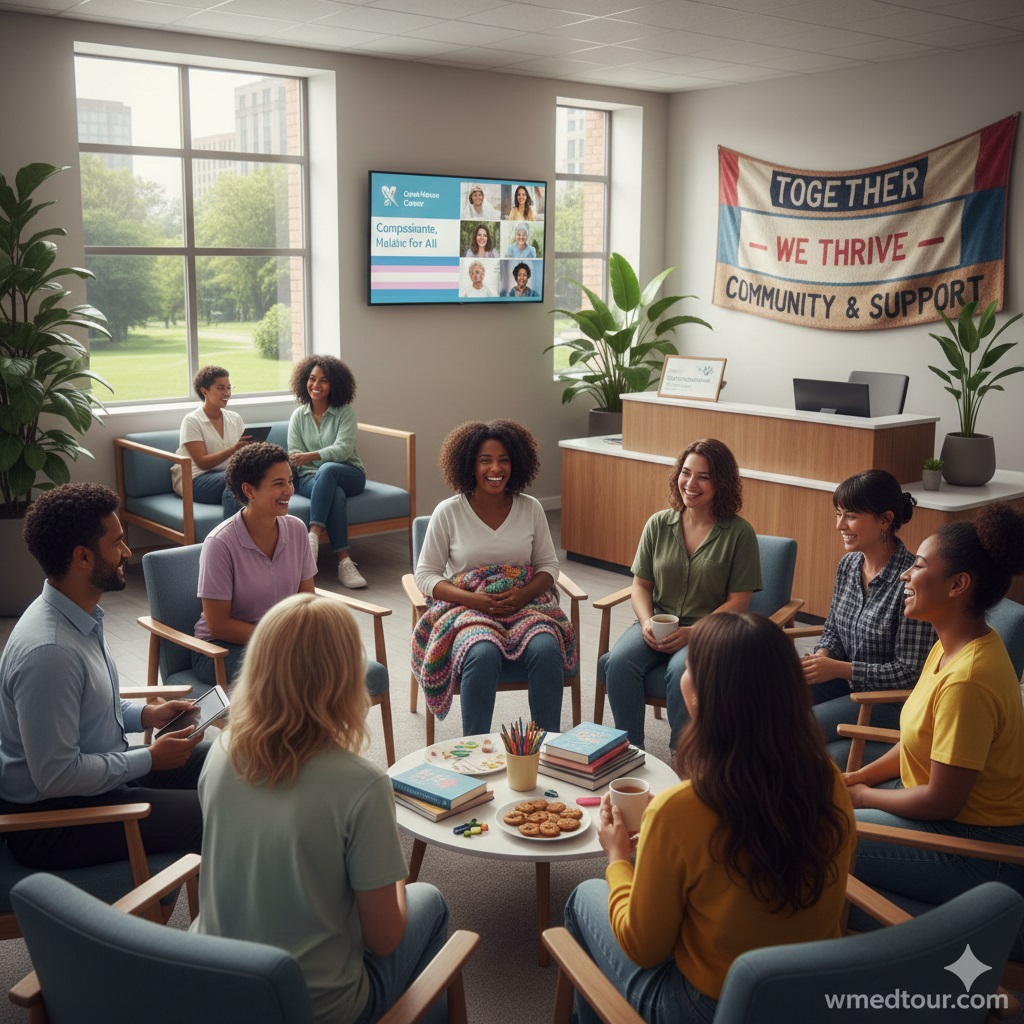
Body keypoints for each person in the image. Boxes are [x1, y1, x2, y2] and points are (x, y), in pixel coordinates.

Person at [565, 611, 856, 1024]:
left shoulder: (679, 809)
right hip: (806, 997)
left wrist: (617, 858)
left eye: (689, 665)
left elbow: (643, 946)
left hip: (707, 1008)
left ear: (701, 695)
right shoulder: (828, 779)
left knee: (582, 899)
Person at [195, 593, 450, 1024]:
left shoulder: (219, 753)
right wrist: (398, 880)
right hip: (318, 1009)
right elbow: (384, 939)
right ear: (345, 679)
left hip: (219, 987)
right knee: (432, 901)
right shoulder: (361, 785)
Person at [846, 503, 1024, 952]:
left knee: (819, 835)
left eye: (920, 565)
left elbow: (944, 798)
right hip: (946, 822)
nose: (906, 573)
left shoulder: (968, 678)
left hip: (977, 847)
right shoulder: (952, 646)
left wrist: (861, 797)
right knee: (819, 816)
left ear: (958, 584)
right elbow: (917, 744)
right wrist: (859, 778)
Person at [0, 483, 207, 869]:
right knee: (216, 813)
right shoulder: (50, 652)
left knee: (225, 762)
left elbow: (86, 707)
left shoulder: (78, 617)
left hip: (99, 778)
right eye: (117, 543)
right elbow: (57, 777)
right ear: (82, 557)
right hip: (53, 819)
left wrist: (144, 716)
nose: (127, 552)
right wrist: (149, 759)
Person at [412, 419, 576, 735]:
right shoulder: (448, 512)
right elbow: (425, 575)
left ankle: (545, 744)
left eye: (504, 460)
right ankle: (475, 747)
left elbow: (548, 568)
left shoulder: (531, 509)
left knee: (546, 648)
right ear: (469, 466)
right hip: (468, 608)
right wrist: (475, 599)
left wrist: (522, 595)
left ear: (516, 464)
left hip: (527, 604)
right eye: (485, 460)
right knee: (482, 652)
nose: (495, 468)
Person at [604, 438, 761, 751]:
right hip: (658, 622)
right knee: (617, 663)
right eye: (686, 473)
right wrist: (647, 621)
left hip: (709, 631)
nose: (691, 483)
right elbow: (641, 585)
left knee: (680, 672)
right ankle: (630, 753)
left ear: (722, 483)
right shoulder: (658, 523)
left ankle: (683, 759)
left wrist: (694, 632)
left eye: (703, 477)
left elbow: (739, 602)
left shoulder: (740, 533)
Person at [802, 470, 936, 742]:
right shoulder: (849, 565)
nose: (840, 525)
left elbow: (909, 673)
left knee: (798, 726)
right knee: (766, 700)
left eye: (850, 516)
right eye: (838, 513)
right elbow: (834, 629)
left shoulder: (912, 581)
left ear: (885, 520)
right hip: (843, 683)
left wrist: (841, 669)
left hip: (887, 702)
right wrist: (823, 656)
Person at [192, 442, 317, 686]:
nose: (289, 491)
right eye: (278, 484)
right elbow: (218, 625)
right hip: (218, 651)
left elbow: (306, 600)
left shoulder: (297, 529)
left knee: (332, 661)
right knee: (294, 675)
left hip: (280, 641)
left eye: (290, 481)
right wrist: (279, 639)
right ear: (249, 490)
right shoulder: (220, 543)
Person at [288, 354, 368, 588]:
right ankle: (344, 563)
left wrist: (313, 456)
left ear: (335, 384)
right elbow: (294, 455)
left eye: (323, 380)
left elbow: (343, 450)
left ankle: (312, 535)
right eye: (312, 379)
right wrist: (308, 460)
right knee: (336, 494)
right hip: (309, 480)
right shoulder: (298, 416)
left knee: (329, 469)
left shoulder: (345, 413)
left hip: (349, 473)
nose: (316, 385)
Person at [171, 365, 252, 518]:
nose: (227, 393)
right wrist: (233, 449)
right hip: (195, 481)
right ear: (204, 391)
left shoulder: (234, 418)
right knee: (237, 481)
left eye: (229, 388)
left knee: (244, 482)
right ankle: (235, 537)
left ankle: (238, 537)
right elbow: (202, 463)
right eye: (221, 388)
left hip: (226, 476)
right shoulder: (192, 421)